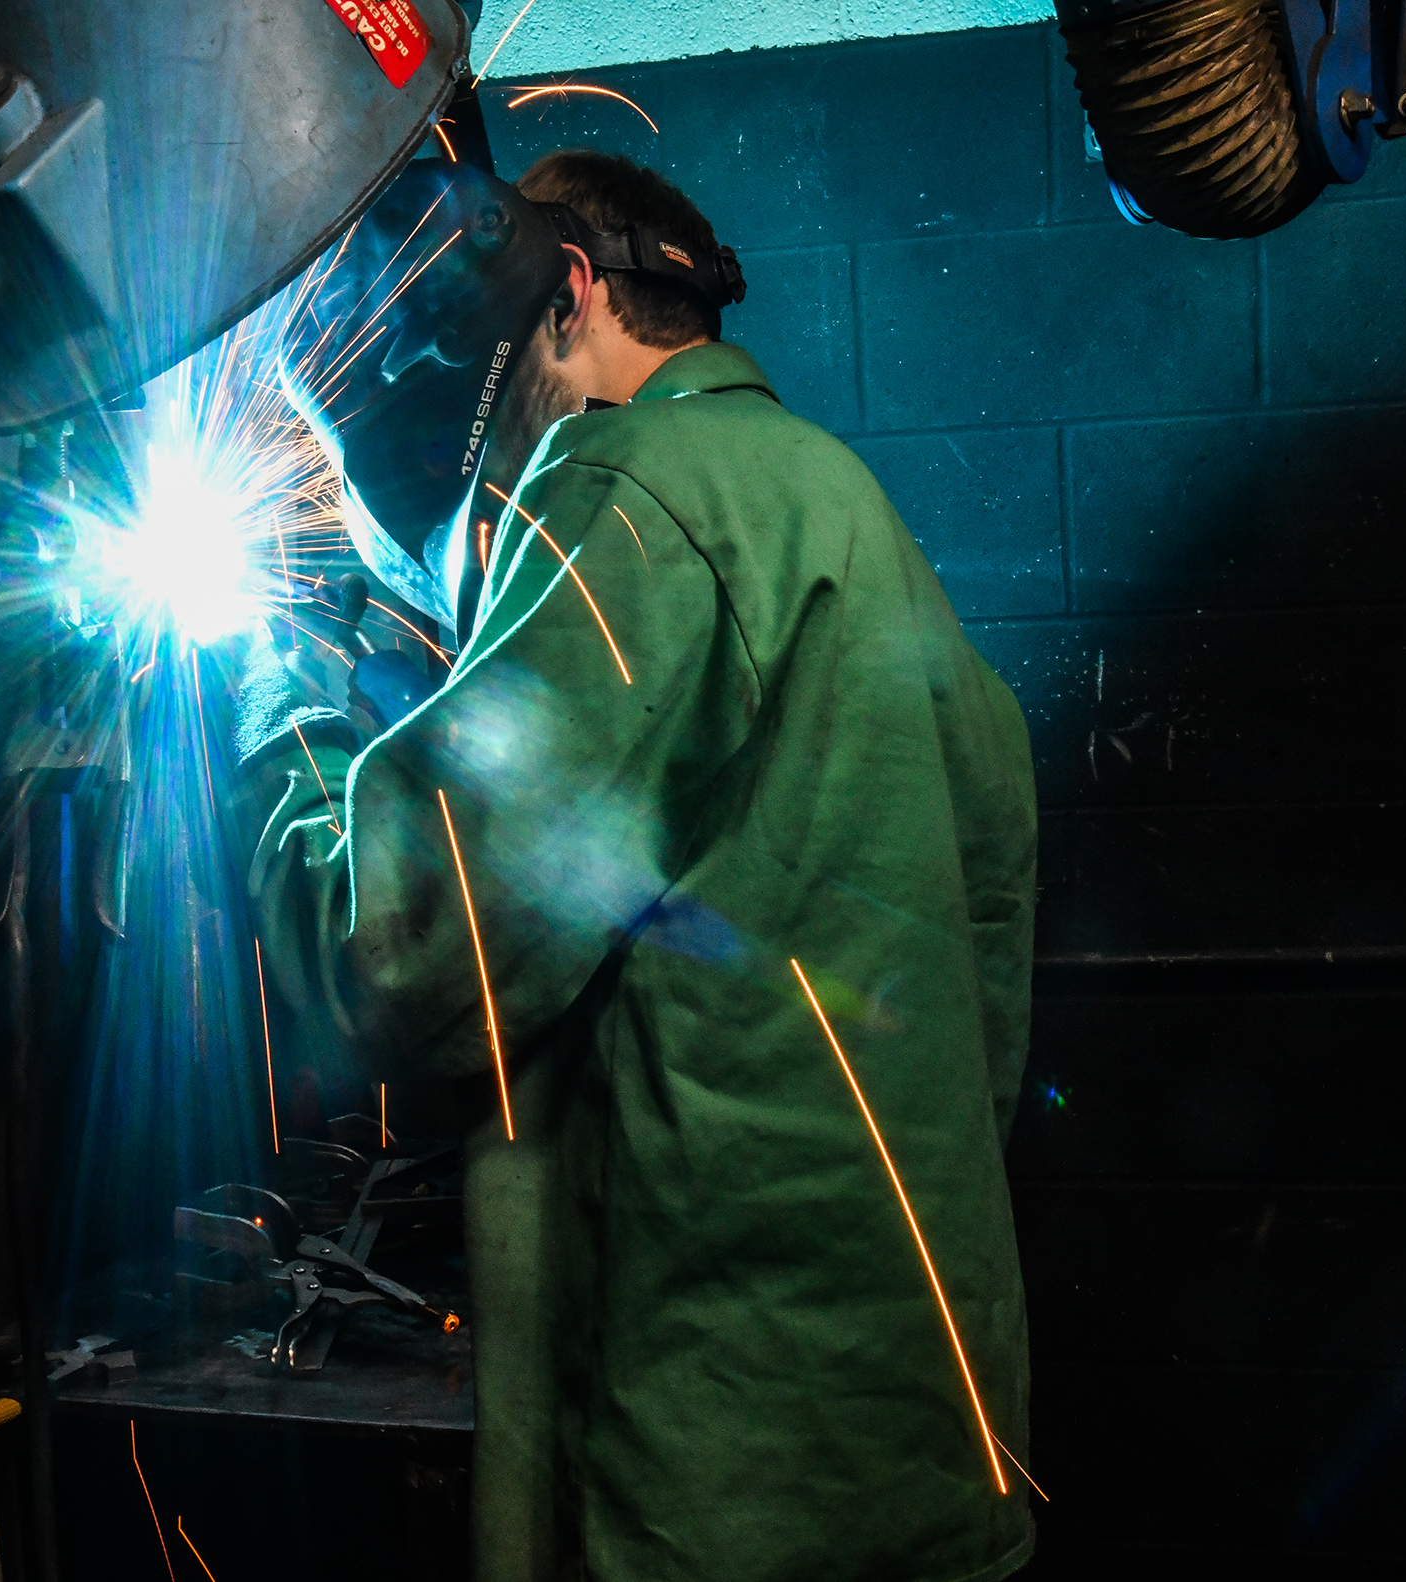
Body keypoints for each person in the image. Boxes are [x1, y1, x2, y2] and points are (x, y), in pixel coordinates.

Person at [238, 149, 1038, 1582]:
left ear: (571, 295)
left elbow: (404, 960)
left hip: (709, 1468)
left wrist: (281, 721)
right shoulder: (841, 506)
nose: (492, 471)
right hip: (905, 1434)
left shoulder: (626, 491)